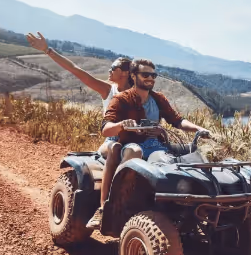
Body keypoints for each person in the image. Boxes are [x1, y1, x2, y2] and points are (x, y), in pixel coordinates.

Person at [85, 58, 210, 230]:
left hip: (153, 146)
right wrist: (122, 125)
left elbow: (177, 121)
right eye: (145, 74)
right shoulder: (121, 99)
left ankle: (180, 207)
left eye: (153, 75)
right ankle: (108, 205)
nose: (150, 78)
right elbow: (106, 128)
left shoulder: (158, 99)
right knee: (134, 152)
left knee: (166, 162)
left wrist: (199, 129)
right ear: (133, 76)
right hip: (127, 143)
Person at [25, 32, 132, 212]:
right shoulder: (108, 90)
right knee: (115, 150)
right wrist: (47, 50)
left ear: (125, 73)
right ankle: (104, 206)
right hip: (112, 140)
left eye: (113, 67)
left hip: (135, 139)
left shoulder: (137, 94)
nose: (109, 70)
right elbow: (76, 70)